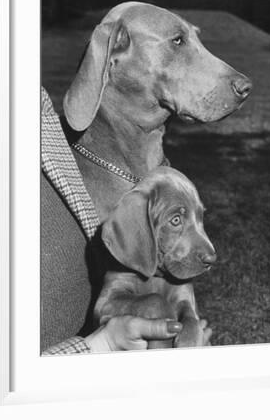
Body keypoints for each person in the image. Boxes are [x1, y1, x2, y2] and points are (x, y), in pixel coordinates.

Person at [41, 87, 211, 354]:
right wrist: (152, 305)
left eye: (199, 218)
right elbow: (105, 307)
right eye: (176, 220)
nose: (210, 252)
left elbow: (188, 312)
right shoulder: (127, 253)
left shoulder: (173, 270)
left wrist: (189, 332)